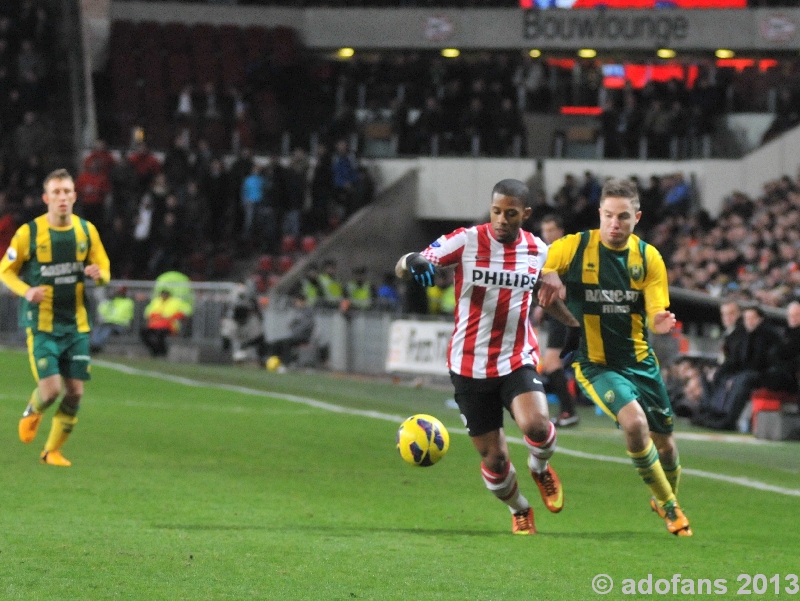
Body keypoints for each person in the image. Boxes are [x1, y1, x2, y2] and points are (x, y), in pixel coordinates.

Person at [396, 178, 578, 536]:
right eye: (496, 211)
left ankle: (540, 470)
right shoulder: (467, 241)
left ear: (525, 214)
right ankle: (520, 509)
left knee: (537, 426)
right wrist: (414, 261)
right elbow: (407, 262)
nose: (501, 219)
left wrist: (575, 328)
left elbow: (548, 297)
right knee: (495, 460)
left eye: (510, 213)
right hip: (468, 366)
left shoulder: (538, 250)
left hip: (516, 358)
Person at [537, 177, 693, 536]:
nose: (615, 224)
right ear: (600, 214)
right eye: (608, 216)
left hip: (641, 363)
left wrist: (661, 321)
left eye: (623, 217)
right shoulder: (575, 247)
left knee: (667, 447)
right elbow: (535, 260)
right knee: (635, 425)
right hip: (595, 364)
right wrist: (547, 274)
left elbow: (656, 309)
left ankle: (664, 497)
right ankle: (670, 507)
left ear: (636, 217)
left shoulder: (648, 258)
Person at [0, 169, 111, 467]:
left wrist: (98, 276)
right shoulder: (29, 233)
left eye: (67, 192)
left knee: (75, 392)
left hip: (76, 325)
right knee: (51, 391)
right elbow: (5, 270)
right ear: (46, 198)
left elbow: (104, 268)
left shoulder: (86, 232)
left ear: (74, 196)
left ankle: (51, 452)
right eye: (56, 192)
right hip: (42, 325)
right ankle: (32, 411)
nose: (62, 197)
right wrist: (26, 292)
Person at [537, 214, 578, 427]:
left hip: (566, 314)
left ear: (560, 231)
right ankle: (567, 410)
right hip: (558, 315)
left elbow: (563, 287)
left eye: (551, 230)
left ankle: (568, 411)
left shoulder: (566, 251)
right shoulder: (546, 253)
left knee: (552, 363)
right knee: (552, 363)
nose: (547, 235)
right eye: (545, 230)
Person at [263, 291, 315, 367]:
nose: (296, 303)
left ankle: (287, 363)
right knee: (276, 343)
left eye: (297, 301)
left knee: (286, 343)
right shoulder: (297, 311)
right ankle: (271, 360)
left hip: (304, 336)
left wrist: (295, 330)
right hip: (295, 335)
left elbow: (307, 326)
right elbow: (291, 324)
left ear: (302, 301)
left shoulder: (308, 312)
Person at [140, 289, 189, 357]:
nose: (163, 296)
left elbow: (184, 313)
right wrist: (158, 316)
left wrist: (170, 316)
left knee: (160, 334)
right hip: (154, 325)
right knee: (144, 332)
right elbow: (148, 313)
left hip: (170, 325)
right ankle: (155, 350)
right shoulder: (156, 301)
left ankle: (162, 352)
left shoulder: (176, 302)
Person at [90, 286, 134, 352]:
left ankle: (97, 346)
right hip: (109, 323)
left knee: (106, 330)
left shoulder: (128, 302)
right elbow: (105, 311)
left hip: (121, 325)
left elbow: (121, 315)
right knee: (98, 328)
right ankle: (93, 344)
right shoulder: (112, 301)